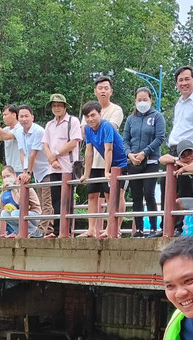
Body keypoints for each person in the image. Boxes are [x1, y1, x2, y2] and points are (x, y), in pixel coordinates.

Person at [79, 100, 128, 237]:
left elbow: (109, 149)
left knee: (115, 195)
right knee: (92, 194)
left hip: (122, 163)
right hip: (106, 164)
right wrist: (86, 174)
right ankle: (91, 229)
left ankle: (113, 228)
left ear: (100, 114)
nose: (90, 119)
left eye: (93, 115)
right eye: (87, 116)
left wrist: (107, 171)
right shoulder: (88, 129)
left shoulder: (106, 126)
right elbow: (89, 152)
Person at [123, 87, 166, 236]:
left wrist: (144, 152)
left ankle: (154, 227)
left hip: (151, 161)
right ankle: (139, 229)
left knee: (149, 193)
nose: (142, 102)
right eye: (139, 100)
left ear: (150, 100)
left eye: (145, 99)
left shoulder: (157, 116)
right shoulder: (130, 119)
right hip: (133, 162)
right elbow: (125, 140)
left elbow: (160, 138)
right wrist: (130, 154)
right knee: (136, 196)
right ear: (135, 101)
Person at [41, 93, 82, 235]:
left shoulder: (73, 121)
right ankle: (57, 230)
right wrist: (51, 159)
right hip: (53, 168)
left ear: (65, 107)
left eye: (59, 105)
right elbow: (45, 144)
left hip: (68, 167)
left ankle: (66, 230)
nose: (56, 108)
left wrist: (56, 154)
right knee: (55, 200)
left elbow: (73, 142)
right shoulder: (49, 124)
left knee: (67, 201)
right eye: (54, 106)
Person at [157, 140, 193, 236]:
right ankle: (174, 229)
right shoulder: (180, 161)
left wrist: (183, 169)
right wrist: (176, 161)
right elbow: (161, 159)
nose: (188, 158)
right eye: (184, 156)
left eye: (190, 153)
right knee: (176, 203)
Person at [12, 104, 49, 236]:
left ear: (32, 117)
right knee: (41, 200)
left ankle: (44, 231)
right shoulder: (18, 132)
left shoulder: (38, 131)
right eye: (21, 116)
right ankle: (41, 231)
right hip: (37, 172)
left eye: (26, 116)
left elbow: (33, 154)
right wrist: (24, 172)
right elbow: (23, 153)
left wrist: (28, 173)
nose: (24, 119)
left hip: (47, 169)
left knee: (46, 201)